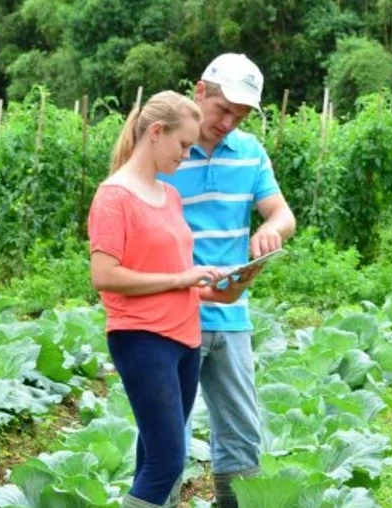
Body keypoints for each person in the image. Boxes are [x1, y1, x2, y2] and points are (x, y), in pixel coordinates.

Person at [88, 90, 252, 508]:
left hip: (185, 338)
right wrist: (183, 276)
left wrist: (216, 290)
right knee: (167, 459)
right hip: (142, 339)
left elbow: (176, 278)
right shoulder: (114, 196)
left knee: (153, 452)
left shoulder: (170, 196)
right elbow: (104, 276)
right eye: (182, 145)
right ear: (156, 132)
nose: (185, 155)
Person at [158, 53, 296, 508]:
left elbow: (282, 213)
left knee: (241, 433)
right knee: (168, 434)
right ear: (200, 92)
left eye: (239, 115)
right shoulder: (168, 152)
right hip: (176, 314)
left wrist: (271, 228)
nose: (228, 122)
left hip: (232, 315)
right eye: (223, 110)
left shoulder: (250, 153)